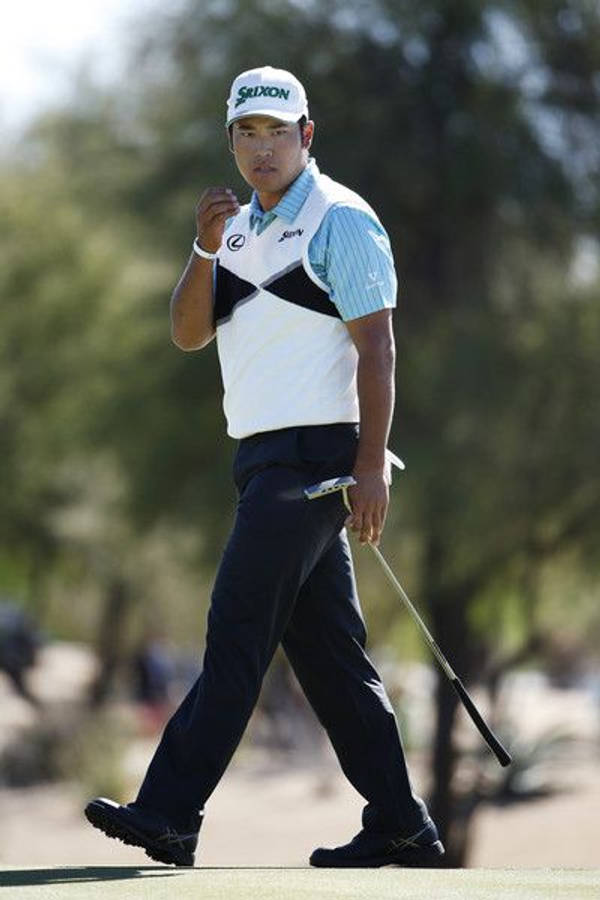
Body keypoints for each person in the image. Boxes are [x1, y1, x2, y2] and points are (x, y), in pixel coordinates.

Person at [85, 65, 444, 869]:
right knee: (331, 659)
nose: (263, 147)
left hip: (314, 462)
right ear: (231, 141)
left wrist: (370, 468)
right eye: (247, 133)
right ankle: (399, 823)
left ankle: (170, 813)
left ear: (306, 136)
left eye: (278, 131)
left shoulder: (339, 219)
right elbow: (187, 333)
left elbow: (378, 349)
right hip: (261, 461)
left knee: (236, 636)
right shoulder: (237, 228)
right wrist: (202, 249)